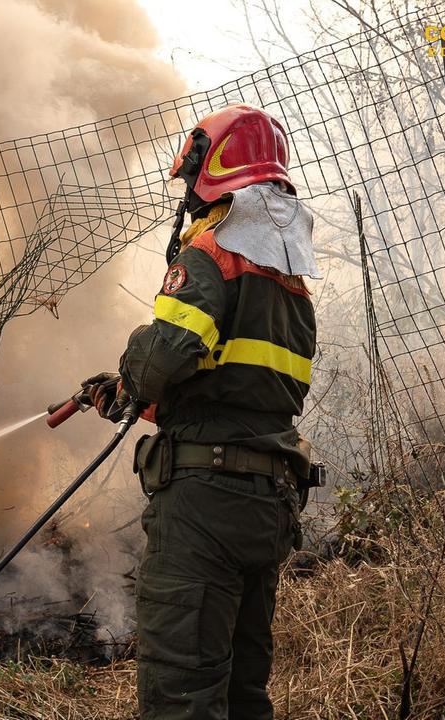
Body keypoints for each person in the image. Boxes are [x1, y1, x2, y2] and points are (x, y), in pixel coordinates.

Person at [82, 104, 321, 720]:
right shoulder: (289, 275)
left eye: (191, 180)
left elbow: (167, 353)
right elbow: (236, 387)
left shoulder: (213, 253)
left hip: (204, 509)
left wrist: (135, 371)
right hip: (266, 502)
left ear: (211, 170)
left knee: (182, 695)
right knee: (243, 696)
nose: (187, 195)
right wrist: (143, 399)